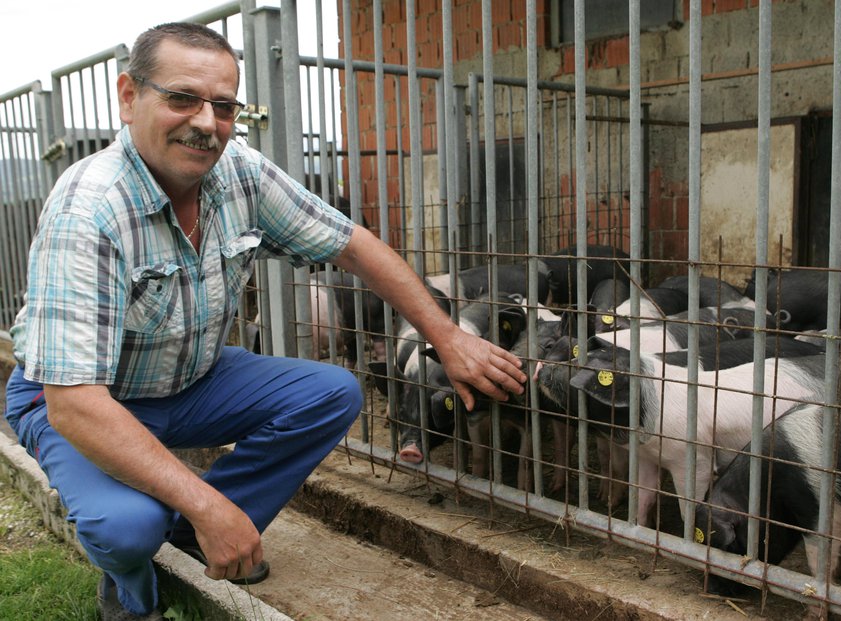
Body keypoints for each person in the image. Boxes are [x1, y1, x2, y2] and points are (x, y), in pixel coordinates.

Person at [3, 22, 526, 620]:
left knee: (330, 393)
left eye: (223, 106)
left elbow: (351, 245)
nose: (206, 122)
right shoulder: (88, 212)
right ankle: (132, 593)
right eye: (182, 98)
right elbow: (74, 403)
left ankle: (185, 535)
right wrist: (212, 505)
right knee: (125, 530)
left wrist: (449, 336)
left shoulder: (238, 172)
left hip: (189, 379)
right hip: (80, 403)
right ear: (128, 97)